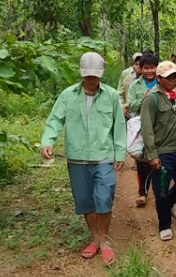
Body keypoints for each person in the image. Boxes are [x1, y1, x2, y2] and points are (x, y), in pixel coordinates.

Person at [40, 52, 126, 264]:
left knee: (104, 197)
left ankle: (105, 240)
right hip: (77, 157)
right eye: (88, 75)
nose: (91, 79)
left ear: (101, 73)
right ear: (81, 73)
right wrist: (48, 140)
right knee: (85, 200)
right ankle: (95, 239)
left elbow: (119, 126)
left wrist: (120, 151)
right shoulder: (68, 95)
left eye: (95, 75)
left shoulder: (112, 95)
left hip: (103, 156)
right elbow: (55, 120)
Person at [139, 60, 176, 241]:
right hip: (162, 153)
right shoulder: (151, 98)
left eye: (175, 76)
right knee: (162, 189)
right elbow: (147, 129)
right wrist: (152, 155)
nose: (173, 80)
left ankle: (168, 204)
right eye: (168, 77)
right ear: (159, 78)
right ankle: (164, 225)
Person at [127, 52, 160, 207]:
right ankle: (143, 193)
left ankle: (161, 192)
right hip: (141, 127)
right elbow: (131, 105)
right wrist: (145, 99)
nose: (149, 71)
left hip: (160, 126)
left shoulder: (162, 83)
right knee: (142, 160)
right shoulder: (134, 85)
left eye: (152, 68)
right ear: (140, 69)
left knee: (161, 159)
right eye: (146, 68)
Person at [118, 54, 142, 118]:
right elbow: (120, 94)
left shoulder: (148, 80)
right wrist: (123, 106)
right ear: (133, 65)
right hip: (128, 114)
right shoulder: (128, 79)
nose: (138, 66)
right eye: (136, 64)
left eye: (141, 64)